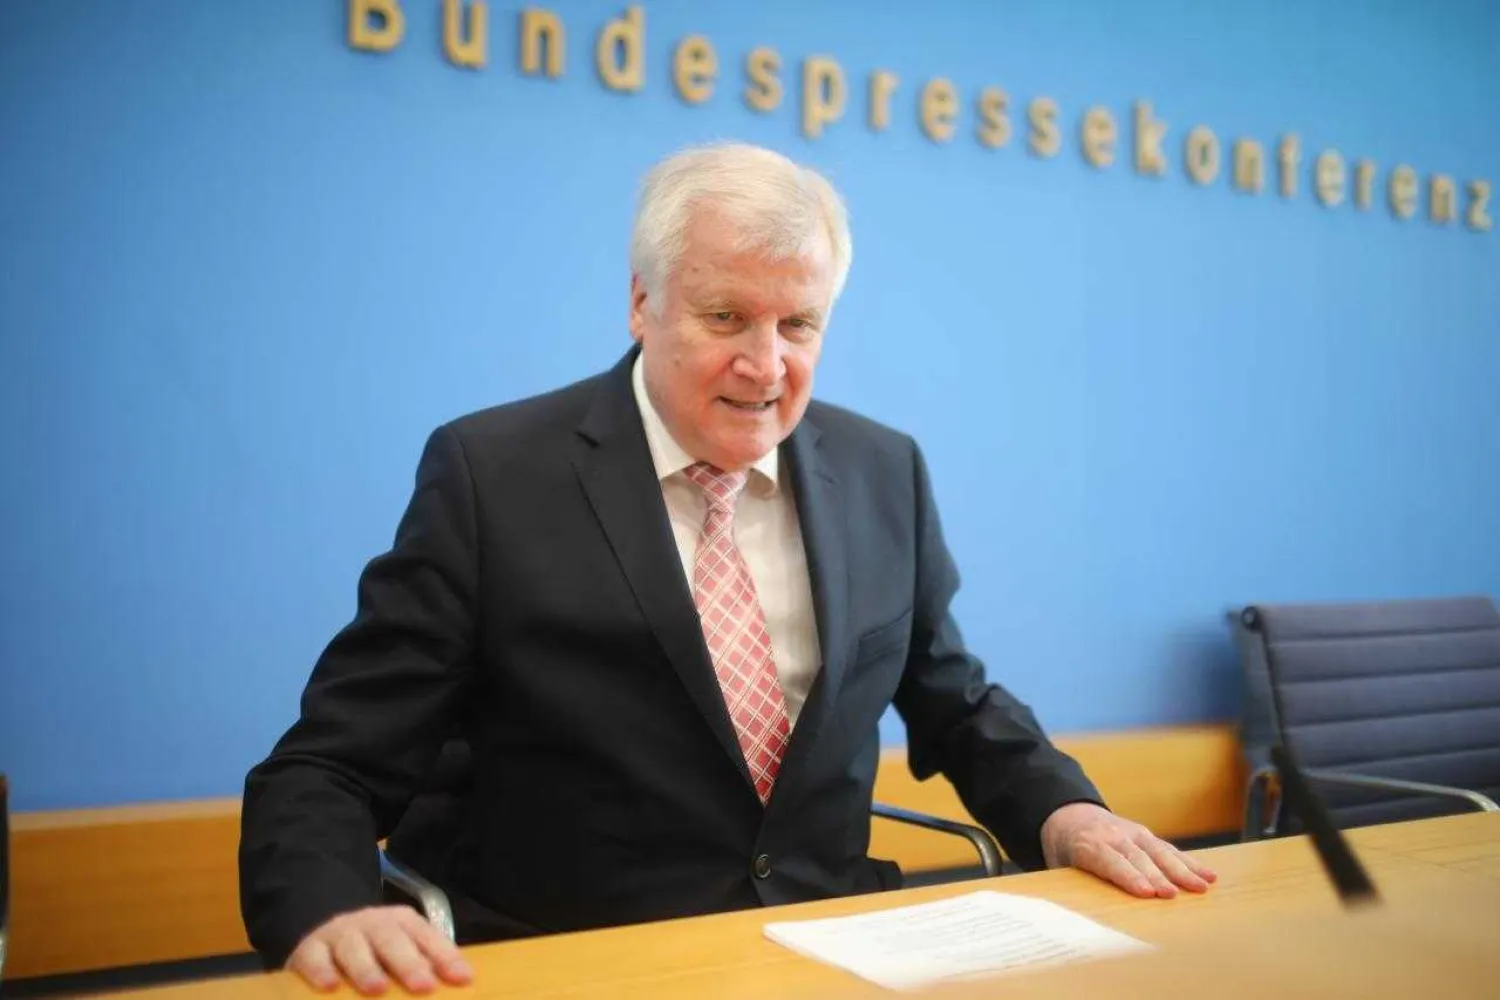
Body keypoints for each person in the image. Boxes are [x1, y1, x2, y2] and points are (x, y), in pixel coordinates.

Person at [239, 142, 1216, 996]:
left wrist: (1065, 811)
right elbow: (330, 763)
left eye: (799, 326)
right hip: (581, 963)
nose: (765, 364)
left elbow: (952, 699)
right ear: (641, 301)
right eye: (725, 317)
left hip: (831, 952)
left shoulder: (885, 470)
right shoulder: (495, 474)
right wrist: (328, 909)